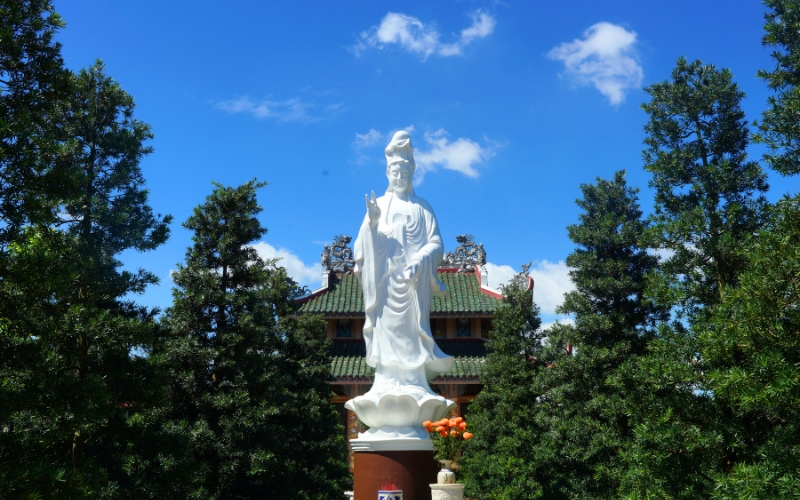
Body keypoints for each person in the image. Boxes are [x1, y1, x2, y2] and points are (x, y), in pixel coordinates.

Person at [354, 131, 453, 395]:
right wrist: (373, 223)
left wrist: (420, 260)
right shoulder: (380, 204)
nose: (399, 177)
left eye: (404, 173)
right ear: (388, 174)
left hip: (414, 283)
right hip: (384, 284)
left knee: (411, 330)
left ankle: (414, 381)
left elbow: (437, 244)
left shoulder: (422, 207)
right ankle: (385, 381)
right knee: (386, 328)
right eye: (395, 173)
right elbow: (362, 250)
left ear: (412, 176)